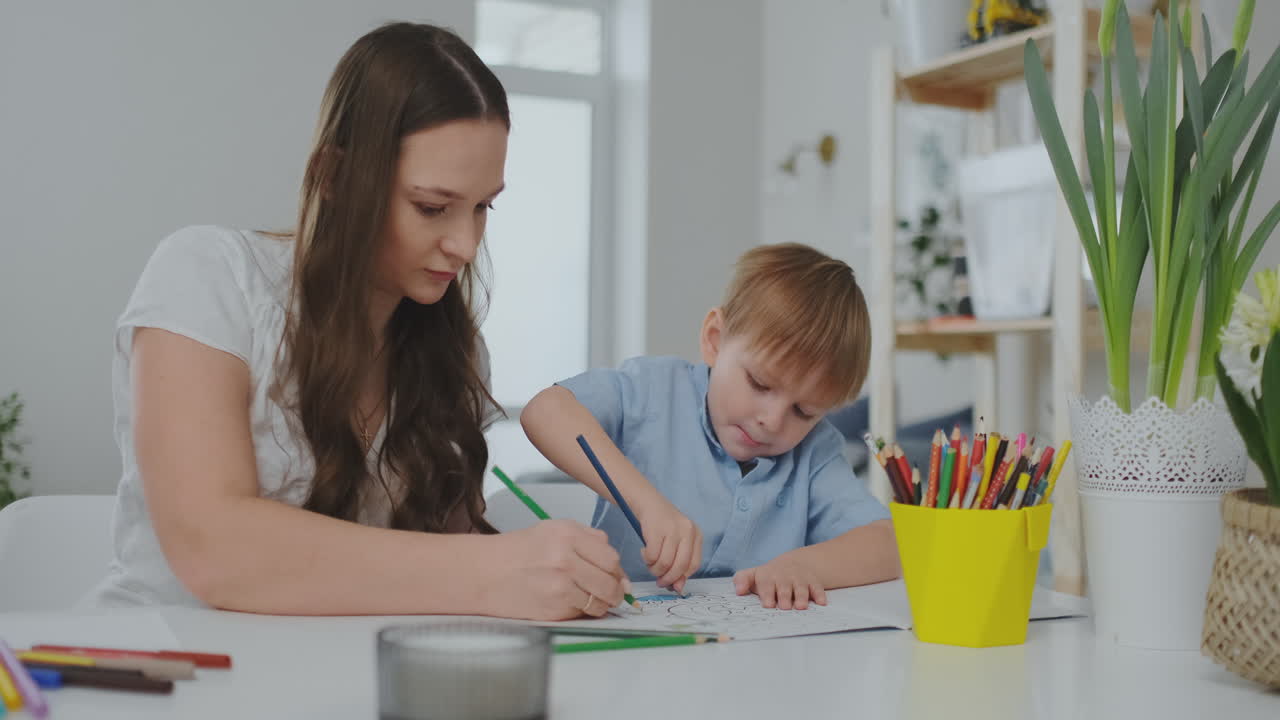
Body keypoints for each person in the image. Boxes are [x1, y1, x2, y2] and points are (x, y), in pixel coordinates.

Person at [86, 22, 627, 621]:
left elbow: (441, 580)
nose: (466, 245)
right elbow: (212, 548)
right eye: (432, 207)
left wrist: (553, 576)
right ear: (335, 178)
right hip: (162, 656)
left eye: (482, 207)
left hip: (336, 667)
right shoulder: (207, 276)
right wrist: (491, 567)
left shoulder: (458, 353)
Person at [521, 243, 900, 610]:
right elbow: (545, 410)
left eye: (804, 411)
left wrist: (804, 566)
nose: (772, 421)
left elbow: (889, 544)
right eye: (760, 384)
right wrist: (646, 503)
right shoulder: (652, 391)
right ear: (715, 341)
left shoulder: (815, 450)